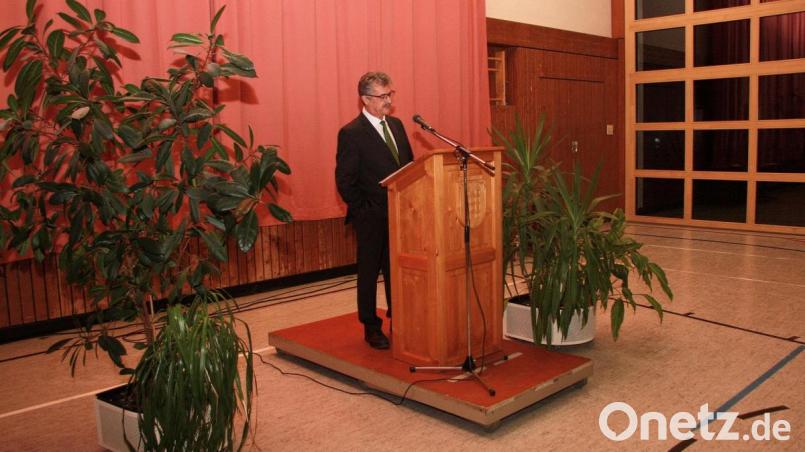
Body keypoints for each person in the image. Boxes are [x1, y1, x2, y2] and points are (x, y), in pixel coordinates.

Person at [335, 72, 414, 349]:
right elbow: (345, 181)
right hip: (370, 216)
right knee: (369, 272)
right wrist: (363, 210)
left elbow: (411, 167)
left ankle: (400, 318)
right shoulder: (351, 133)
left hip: (402, 214)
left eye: (390, 94)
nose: (389, 101)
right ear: (365, 99)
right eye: (383, 96)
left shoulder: (398, 125)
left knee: (397, 269)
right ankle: (370, 326)